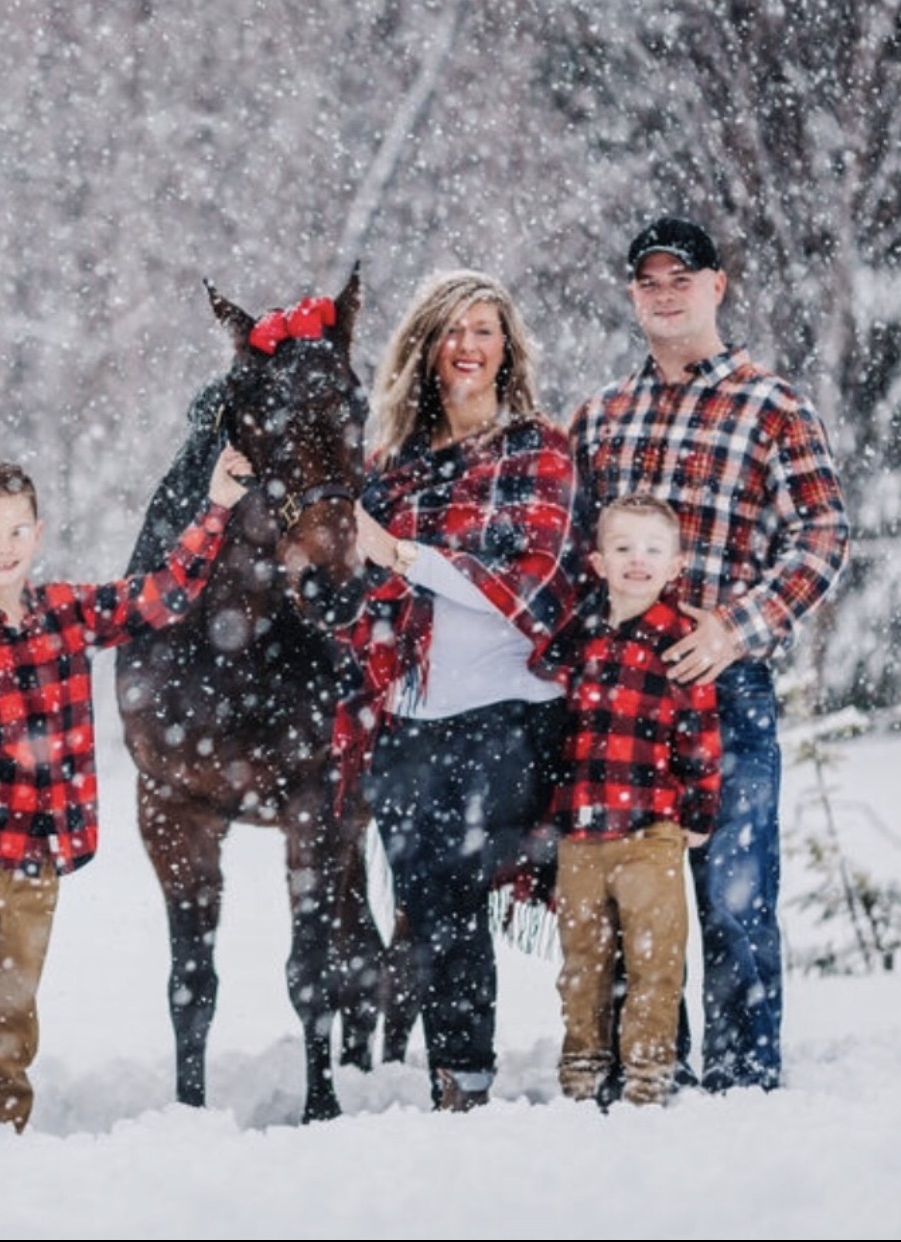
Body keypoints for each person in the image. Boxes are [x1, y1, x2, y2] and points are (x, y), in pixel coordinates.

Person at [0, 447, 251, 1136]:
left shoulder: (67, 614)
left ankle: (0, 1124)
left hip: (38, 853)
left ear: (39, 533)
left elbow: (166, 592)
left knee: (13, 1006)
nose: (4, 547)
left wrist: (218, 506)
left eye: (18, 530)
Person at [566, 216, 849, 1093]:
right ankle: (647, 1068)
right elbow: (571, 541)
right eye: (648, 281)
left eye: (680, 278)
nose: (664, 293)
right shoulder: (605, 414)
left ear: (716, 286)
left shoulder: (772, 405)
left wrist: (737, 627)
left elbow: (823, 533)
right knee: (629, 903)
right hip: (619, 707)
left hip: (724, 692)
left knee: (732, 899)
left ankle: (741, 1082)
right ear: (631, 295)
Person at [337, 269, 577, 1113]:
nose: (468, 345)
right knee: (430, 907)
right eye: (453, 331)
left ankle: (626, 1058)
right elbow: (350, 581)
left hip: (507, 714)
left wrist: (402, 556)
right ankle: (460, 1082)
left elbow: (525, 573)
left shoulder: (538, 448)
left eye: (484, 329)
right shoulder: (392, 467)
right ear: (427, 349)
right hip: (408, 719)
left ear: (506, 347)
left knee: (475, 881)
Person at [537, 493, 721, 1108]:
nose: (636, 561)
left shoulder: (682, 641)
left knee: (654, 960)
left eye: (652, 550)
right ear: (597, 560)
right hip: (581, 830)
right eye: (622, 548)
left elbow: (699, 735)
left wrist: (698, 812)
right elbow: (544, 676)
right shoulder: (582, 631)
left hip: (652, 832)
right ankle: (583, 1071)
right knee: (582, 963)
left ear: (676, 566)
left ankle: (647, 1075)